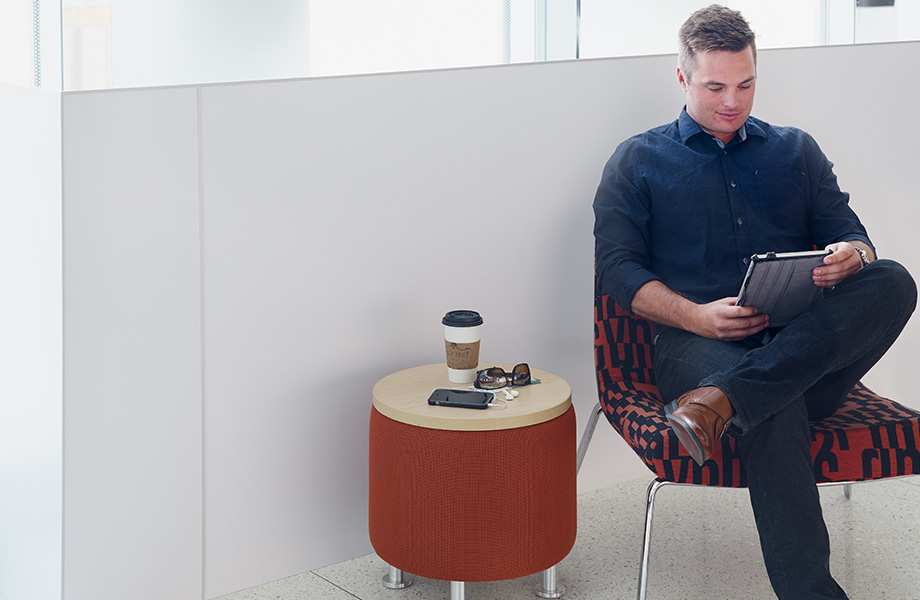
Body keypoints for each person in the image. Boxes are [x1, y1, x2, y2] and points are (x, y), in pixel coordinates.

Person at [593, 5, 917, 600]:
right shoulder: (637, 161)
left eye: (745, 85)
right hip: (695, 350)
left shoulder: (795, 150)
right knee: (774, 403)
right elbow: (616, 273)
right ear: (682, 77)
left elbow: (850, 232)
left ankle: (723, 402)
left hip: (802, 350)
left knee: (893, 279)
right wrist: (696, 316)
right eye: (715, 87)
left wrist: (852, 254)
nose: (732, 102)